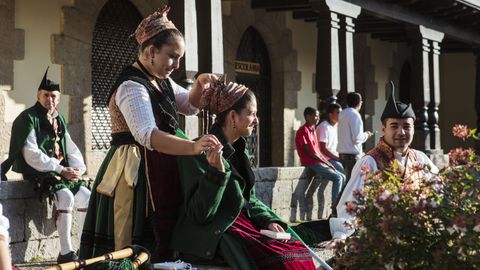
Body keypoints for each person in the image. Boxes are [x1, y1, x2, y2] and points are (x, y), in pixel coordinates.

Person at [79, 6, 220, 262]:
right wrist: (193, 146)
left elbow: (188, 105)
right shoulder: (132, 85)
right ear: (151, 51)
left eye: (179, 58)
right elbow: (147, 134)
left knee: (165, 235)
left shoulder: (160, 79)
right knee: (136, 237)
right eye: (172, 57)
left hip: (161, 163)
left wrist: (200, 84)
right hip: (135, 171)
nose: (176, 65)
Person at [170, 80, 315, 269]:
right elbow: (199, 214)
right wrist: (216, 173)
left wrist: (268, 220)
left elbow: (249, 199)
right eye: (252, 114)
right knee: (283, 262)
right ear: (233, 117)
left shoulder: (241, 152)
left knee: (297, 254)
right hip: (216, 233)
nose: (257, 120)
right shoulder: (197, 151)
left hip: (242, 224)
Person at [0, 67, 91, 263]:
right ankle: (66, 253)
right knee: (66, 196)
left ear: (58, 99)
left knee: (86, 196)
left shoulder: (59, 119)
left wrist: (78, 169)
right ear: (38, 96)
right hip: (38, 172)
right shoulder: (28, 118)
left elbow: (70, 147)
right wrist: (60, 169)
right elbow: (31, 154)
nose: (50, 99)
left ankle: (84, 248)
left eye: (53, 96)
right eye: (46, 95)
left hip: (60, 172)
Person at [329, 82, 439, 240]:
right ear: (383, 129)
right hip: (382, 242)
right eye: (394, 126)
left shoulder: (420, 158)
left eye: (407, 127)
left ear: (413, 129)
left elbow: (440, 192)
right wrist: (341, 236)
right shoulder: (370, 162)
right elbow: (350, 205)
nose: (401, 132)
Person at [295, 107, 346, 207]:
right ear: (308, 117)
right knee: (337, 178)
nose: (318, 118)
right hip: (311, 162)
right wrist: (326, 162)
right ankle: (335, 206)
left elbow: (317, 151)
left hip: (318, 161)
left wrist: (327, 162)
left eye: (318, 116)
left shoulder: (312, 130)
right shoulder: (303, 130)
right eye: (315, 116)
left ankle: (340, 204)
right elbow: (310, 152)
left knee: (343, 176)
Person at [337, 92, 374, 183]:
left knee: (346, 184)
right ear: (359, 102)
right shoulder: (355, 115)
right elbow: (357, 138)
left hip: (342, 154)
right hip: (351, 156)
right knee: (353, 184)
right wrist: (366, 135)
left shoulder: (342, 113)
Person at [316, 103, 345, 175]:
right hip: (326, 158)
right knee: (344, 173)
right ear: (330, 114)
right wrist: (337, 158)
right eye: (338, 113)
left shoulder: (337, 126)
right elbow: (323, 148)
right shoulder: (324, 126)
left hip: (335, 158)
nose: (340, 115)